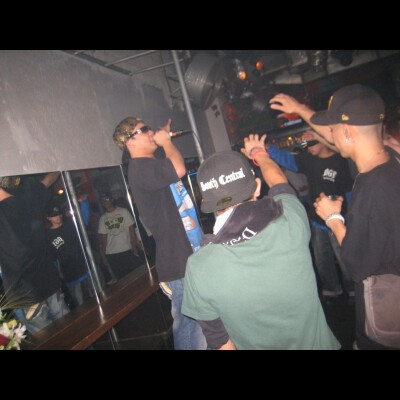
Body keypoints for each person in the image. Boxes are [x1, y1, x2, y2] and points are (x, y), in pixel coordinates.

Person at [181, 136, 341, 350]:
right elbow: (279, 182)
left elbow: (221, 343)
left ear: (207, 203)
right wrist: (258, 153)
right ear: (256, 187)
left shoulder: (198, 267)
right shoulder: (291, 222)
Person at [272, 84, 400, 349]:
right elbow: (332, 141)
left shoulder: (373, 190)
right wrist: (300, 109)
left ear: (348, 131)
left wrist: (333, 218)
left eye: (332, 129)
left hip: (384, 326)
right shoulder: (389, 158)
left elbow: (357, 264)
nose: (329, 136)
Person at [112, 117, 206, 350]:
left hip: (188, 256)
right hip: (178, 262)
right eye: (143, 129)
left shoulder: (150, 167)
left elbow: (170, 168)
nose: (150, 131)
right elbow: (179, 168)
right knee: (189, 328)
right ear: (130, 142)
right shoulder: (140, 168)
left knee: (202, 325)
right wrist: (166, 142)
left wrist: (162, 140)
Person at [265, 130, 354, 299]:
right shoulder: (308, 160)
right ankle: (332, 290)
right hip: (318, 221)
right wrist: (269, 148)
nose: (309, 148)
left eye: (312, 144)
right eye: (306, 145)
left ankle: (353, 290)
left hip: (339, 219)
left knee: (344, 257)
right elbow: (287, 159)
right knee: (322, 260)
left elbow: (349, 191)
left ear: (323, 141)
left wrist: (350, 218)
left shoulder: (340, 160)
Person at [0, 173, 69, 334]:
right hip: (49, 281)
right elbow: (50, 178)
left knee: (50, 342)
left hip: (23, 292)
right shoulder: (29, 198)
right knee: (71, 331)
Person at [45, 203, 93, 309]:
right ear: (48, 218)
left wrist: (84, 203)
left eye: (58, 214)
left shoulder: (70, 224)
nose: (58, 216)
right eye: (54, 215)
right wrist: (58, 273)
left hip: (86, 267)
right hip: (71, 274)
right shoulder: (48, 236)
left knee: (101, 295)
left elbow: (84, 221)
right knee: (81, 307)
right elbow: (52, 258)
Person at [98, 192, 142, 280]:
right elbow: (103, 236)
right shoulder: (103, 218)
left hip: (127, 249)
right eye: (103, 200)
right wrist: (104, 252)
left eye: (106, 199)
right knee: (122, 279)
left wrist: (134, 245)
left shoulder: (123, 211)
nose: (105, 201)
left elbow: (131, 229)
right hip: (112, 253)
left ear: (111, 199)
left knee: (136, 275)